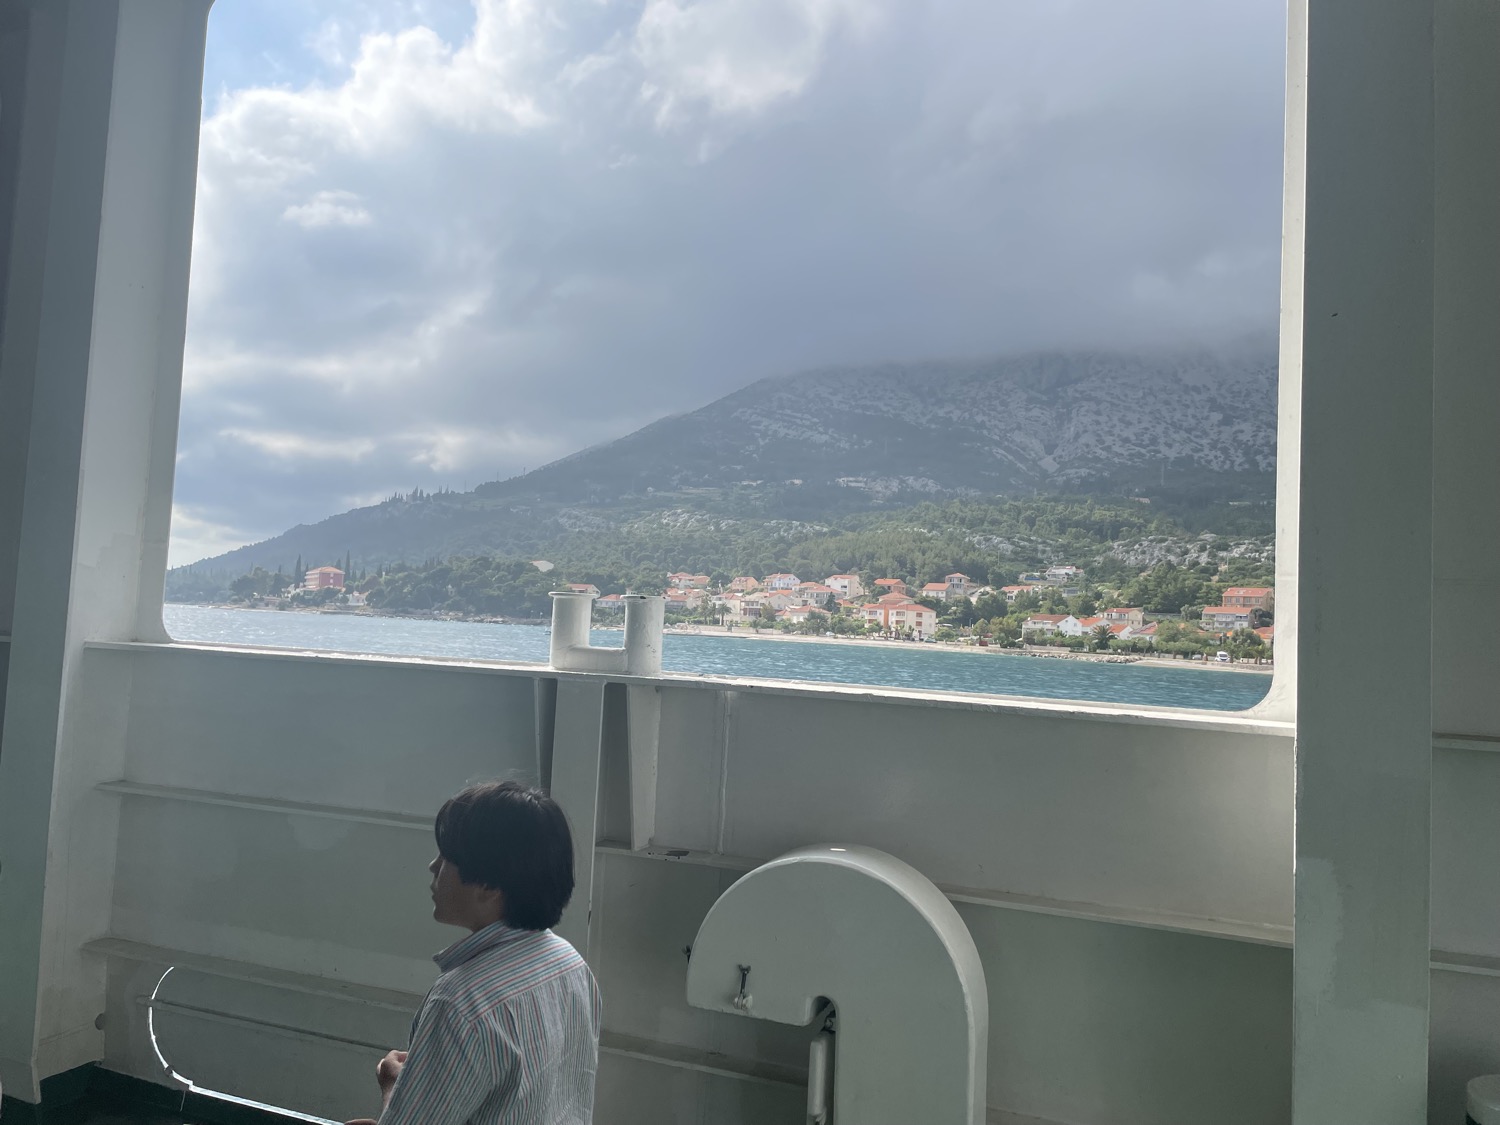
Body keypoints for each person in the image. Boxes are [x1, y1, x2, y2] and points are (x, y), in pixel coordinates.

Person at [347, 781, 600, 1125]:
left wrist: (394, 1087)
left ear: (489, 885)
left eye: (447, 858)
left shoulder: (460, 1003)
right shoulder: (569, 963)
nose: (433, 866)